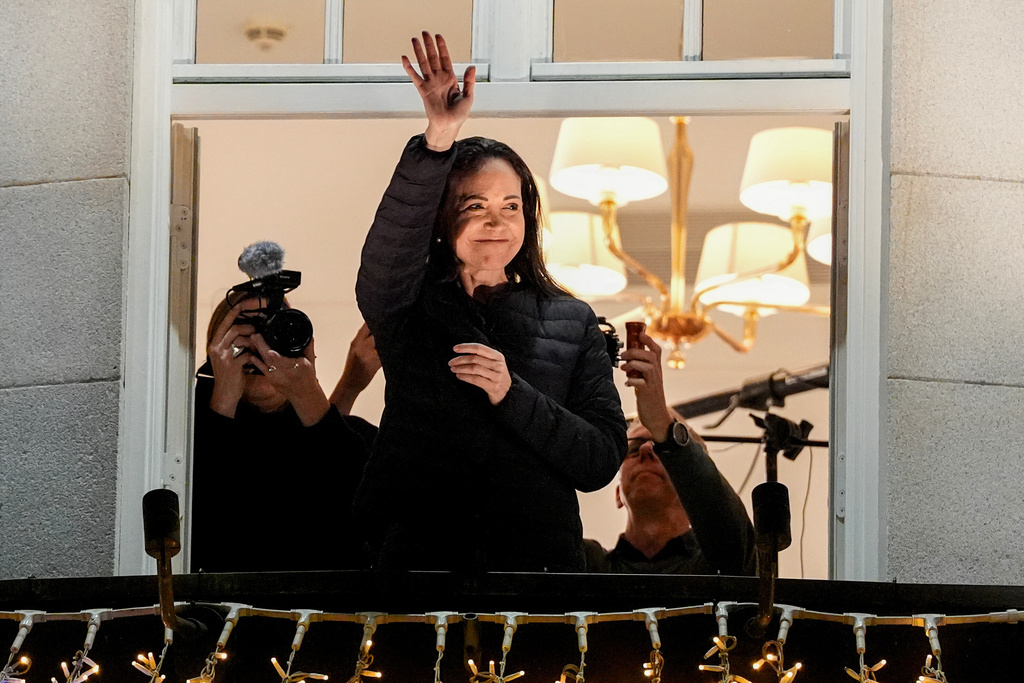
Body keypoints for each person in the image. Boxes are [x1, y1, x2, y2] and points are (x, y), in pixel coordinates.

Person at [354, 32, 626, 572]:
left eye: (511, 206)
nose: (496, 222)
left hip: (537, 578)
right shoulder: (407, 305)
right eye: (475, 205)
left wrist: (511, 392)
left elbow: (598, 460)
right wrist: (438, 138)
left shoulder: (572, 321)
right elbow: (388, 254)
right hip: (419, 571)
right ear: (441, 217)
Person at [190, 298, 381, 573]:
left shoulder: (348, 438)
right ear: (217, 351)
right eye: (244, 336)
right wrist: (223, 397)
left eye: (273, 334)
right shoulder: (179, 436)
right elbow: (200, 520)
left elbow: (364, 516)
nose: (261, 349)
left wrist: (308, 393)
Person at [583, 326, 756, 575]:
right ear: (618, 494)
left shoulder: (720, 566)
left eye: (659, 445)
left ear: (690, 489)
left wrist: (662, 424)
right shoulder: (588, 567)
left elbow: (735, 545)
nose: (645, 449)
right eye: (633, 448)